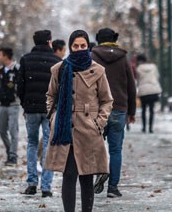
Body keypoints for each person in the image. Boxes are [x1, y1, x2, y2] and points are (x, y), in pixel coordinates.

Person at [44, 30, 113, 212]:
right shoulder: (59, 69)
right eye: (76, 46)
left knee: (86, 176)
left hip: (88, 129)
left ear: (88, 46)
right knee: (69, 175)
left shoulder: (97, 71)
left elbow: (107, 100)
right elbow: (50, 96)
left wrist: (99, 122)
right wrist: (53, 119)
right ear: (70, 47)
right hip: (65, 128)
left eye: (83, 45)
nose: (80, 49)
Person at [91, 28, 136, 198]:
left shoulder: (92, 57)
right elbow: (131, 86)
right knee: (116, 150)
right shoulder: (123, 58)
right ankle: (113, 187)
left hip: (97, 109)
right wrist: (131, 111)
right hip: (119, 108)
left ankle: (98, 175)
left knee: (96, 147)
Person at [17, 30, 62, 197]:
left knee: (32, 143)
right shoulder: (56, 61)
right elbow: (59, 88)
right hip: (50, 110)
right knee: (49, 145)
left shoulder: (26, 60)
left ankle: (31, 183)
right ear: (49, 42)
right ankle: (46, 186)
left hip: (31, 109)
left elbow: (20, 86)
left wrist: (25, 104)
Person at [0, 47, 20, 166]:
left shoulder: (17, 69)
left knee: (13, 131)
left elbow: (21, 85)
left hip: (13, 105)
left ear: (6, 56)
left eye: (0, 55)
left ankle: (13, 156)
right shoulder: (2, 71)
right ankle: (9, 150)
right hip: (1, 105)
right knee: (1, 130)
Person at [135, 54, 162, 134]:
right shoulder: (153, 67)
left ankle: (144, 128)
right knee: (151, 109)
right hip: (153, 89)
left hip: (143, 90)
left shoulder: (139, 68)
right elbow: (157, 76)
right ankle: (150, 128)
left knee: (143, 110)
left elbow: (138, 79)